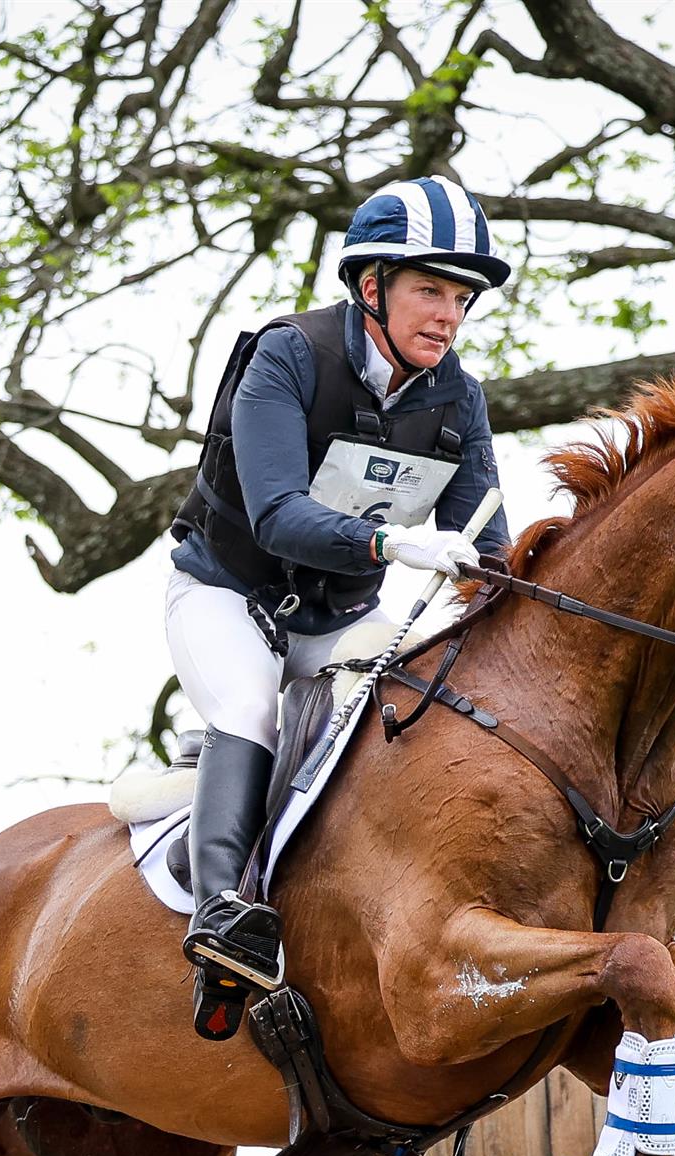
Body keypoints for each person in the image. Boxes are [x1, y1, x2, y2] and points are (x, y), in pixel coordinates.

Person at [165, 175, 513, 1039]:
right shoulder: (287, 355)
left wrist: (503, 587)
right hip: (228, 595)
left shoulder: (457, 397)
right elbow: (279, 514)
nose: (448, 315)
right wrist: (394, 545)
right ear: (371, 287)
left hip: (340, 622)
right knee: (249, 705)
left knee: (419, 715)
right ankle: (220, 918)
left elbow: (489, 544)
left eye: (460, 297)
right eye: (429, 288)